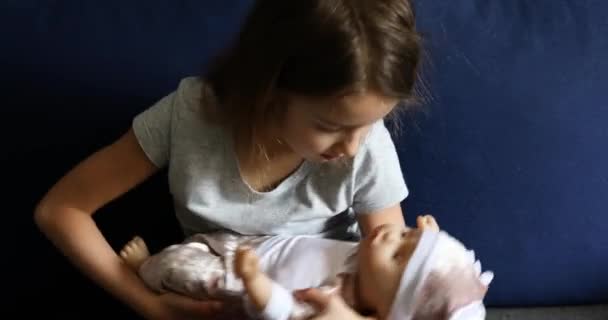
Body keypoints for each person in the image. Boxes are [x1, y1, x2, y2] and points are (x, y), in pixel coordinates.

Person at [33, 0, 422, 319]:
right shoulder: (189, 117)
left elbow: (395, 292)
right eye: (329, 125)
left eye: (371, 125)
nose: (352, 148)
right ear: (269, 88)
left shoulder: (367, 150)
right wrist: (147, 303)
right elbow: (61, 208)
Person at [118, 215, 493, 319]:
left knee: (176, 265)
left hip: (238, 282)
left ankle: (145, 269)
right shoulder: (364, 257)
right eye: (405, 234)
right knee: (205, 240)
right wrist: (429, 240)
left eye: (396, 255)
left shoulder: (333, 302)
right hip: (251, 246)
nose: (389, 236)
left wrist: (252, 280)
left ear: (382, 312)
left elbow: (280, 310)